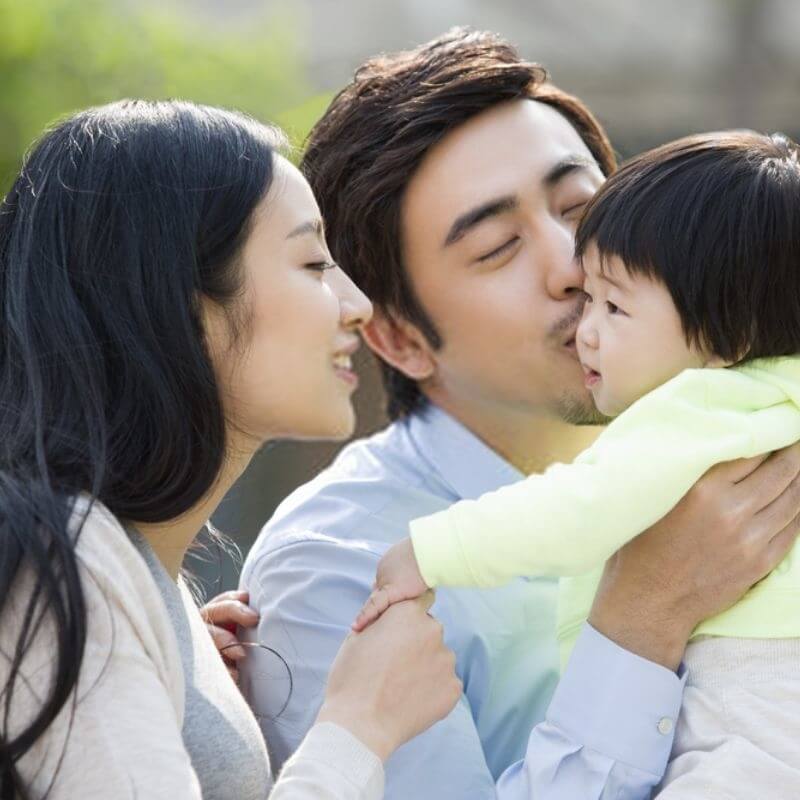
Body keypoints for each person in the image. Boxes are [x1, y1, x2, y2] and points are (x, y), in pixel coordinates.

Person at [240, 29, 800, 799]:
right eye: (499, 247)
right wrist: (641, 613)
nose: (573, 267)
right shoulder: (343, 566)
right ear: (401, 338)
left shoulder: (753, 439)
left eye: (582, 206)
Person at [0, 99, 461, 800]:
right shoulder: (65, 558)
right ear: (184, 307)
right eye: (312, 262)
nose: (357, 303)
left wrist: (180, 666)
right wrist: (359, 727)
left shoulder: (137, 578)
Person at [359, 130, 800, 795]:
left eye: (614, 305)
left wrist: (432, 547)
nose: (584, 324)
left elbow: (578, 511)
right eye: (590, 297)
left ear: (727, 339)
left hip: (750, 711)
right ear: (399, 336)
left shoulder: (698, 410)